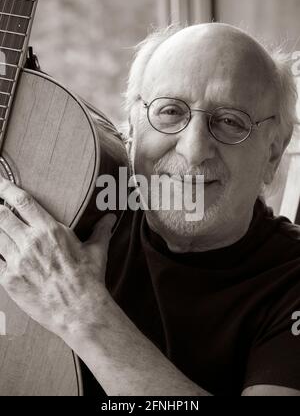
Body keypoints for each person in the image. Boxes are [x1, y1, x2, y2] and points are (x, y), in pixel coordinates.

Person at [0, 23, 300, 396]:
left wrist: (83, 311)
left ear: (273, 151)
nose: (193, 150)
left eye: (229, 121)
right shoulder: (70, 215)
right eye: (170, 111)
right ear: (132, 125)